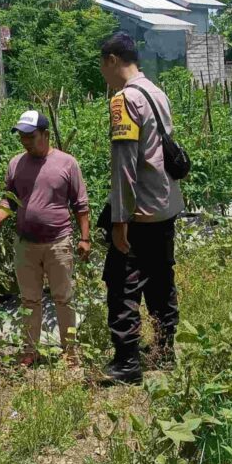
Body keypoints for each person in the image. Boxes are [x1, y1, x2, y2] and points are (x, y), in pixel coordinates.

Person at [98, 32, 184, 383]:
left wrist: (120, 220)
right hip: (166, 204)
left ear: (113, 61)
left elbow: (124, 165)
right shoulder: (156, 91)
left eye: (102, 65)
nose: (103, 73)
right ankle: (165, 351)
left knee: (123, 285)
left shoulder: (124, 100)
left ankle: (127, 364)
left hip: (140, 211)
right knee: (161, 281)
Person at [0, 110, 91, 366]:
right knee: (29, 300)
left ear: (45, 134)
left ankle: (70, 351)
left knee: (63, 298)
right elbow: (8, 200)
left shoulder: (67, 163)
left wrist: (85, 238)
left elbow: (81, 204)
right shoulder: (15, 163)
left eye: (30, 136)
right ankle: (29, 350)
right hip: (25, 244)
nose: (25, 141)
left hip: (58, 242)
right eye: (21, 136)